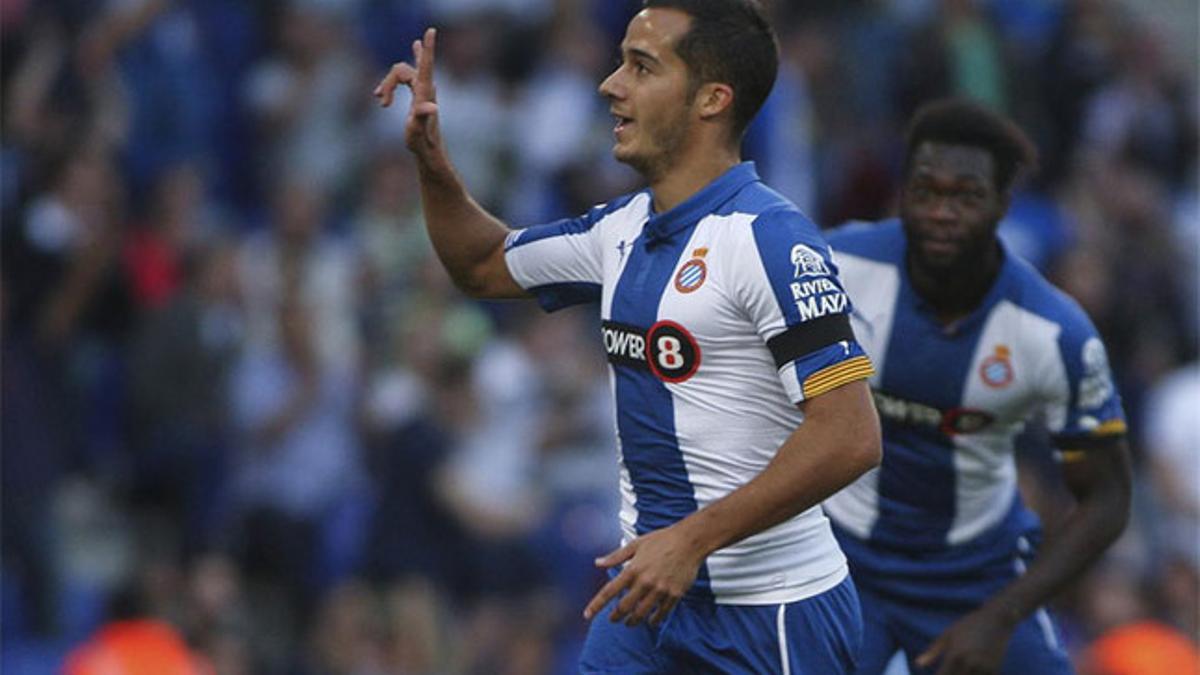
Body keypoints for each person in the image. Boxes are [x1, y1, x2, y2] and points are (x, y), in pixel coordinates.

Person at [374, 1, 883, 672]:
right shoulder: (620, 229)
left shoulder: (769, 239)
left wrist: (692, 540)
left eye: (641, 67)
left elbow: (851, 434)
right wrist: (434, 162)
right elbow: (481, 263)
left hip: (773, 613)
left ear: (711, 99)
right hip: (646, 600)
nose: (610, 84)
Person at [822, 99, 1133, 675]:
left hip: (975, 579)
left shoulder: (1053, 333)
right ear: (903, 192)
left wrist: (1003, 614)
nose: (942, 212)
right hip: (838, 563)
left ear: (1001, 205)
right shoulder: (833, 267)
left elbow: (1108, 497)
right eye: (926, 191)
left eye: (965, 196)